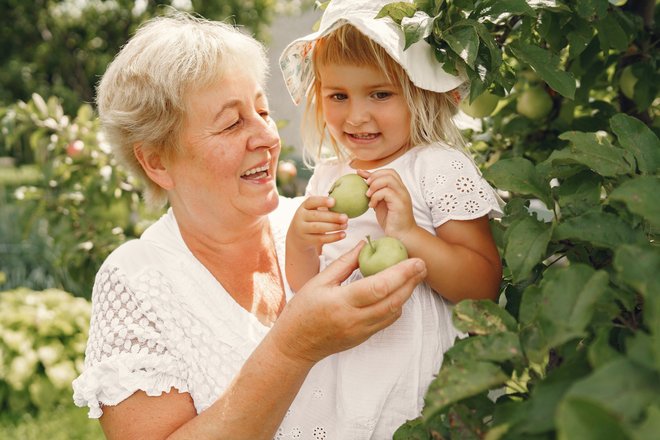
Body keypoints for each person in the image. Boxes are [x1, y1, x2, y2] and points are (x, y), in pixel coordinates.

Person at [71, 11, 430, 440]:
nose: (266, 136)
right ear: (157, 161)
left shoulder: (323, 225)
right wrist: (292, 349)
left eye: (262, 110)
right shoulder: (136, 281)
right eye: (232, 123)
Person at [278, 0, 504, 437]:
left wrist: (408, 234)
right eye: (338, 96)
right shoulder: (328, 176)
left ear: (419, 90)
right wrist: (300, 243)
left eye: (379, 94)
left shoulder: (436, 166)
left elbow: (482, 286)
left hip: (414, 371)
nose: (356, 115)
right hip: (339, 363)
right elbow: (307, 288)